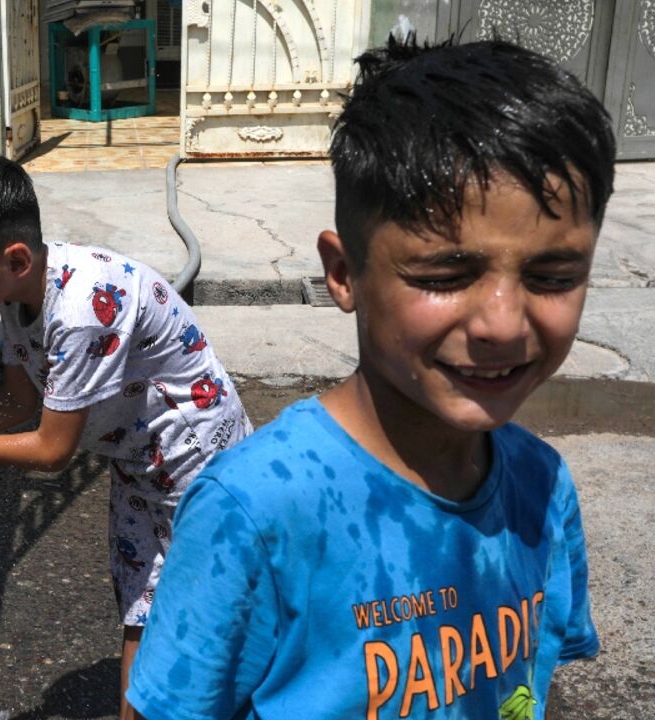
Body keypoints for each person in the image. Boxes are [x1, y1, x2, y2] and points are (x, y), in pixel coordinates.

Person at [126, 36, 614, 720]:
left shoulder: (542, 486)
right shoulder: (256, 512)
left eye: (554, 277)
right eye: (445, 276)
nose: (503, 324)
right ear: (344, 272)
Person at [0, 144, 253, 717]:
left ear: (14, 259)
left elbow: (52, 450)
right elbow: (15, 401)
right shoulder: (17, 292)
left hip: (198, 462)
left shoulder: (82, 309)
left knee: (202, 615)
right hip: (139, 460)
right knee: (143, 611)